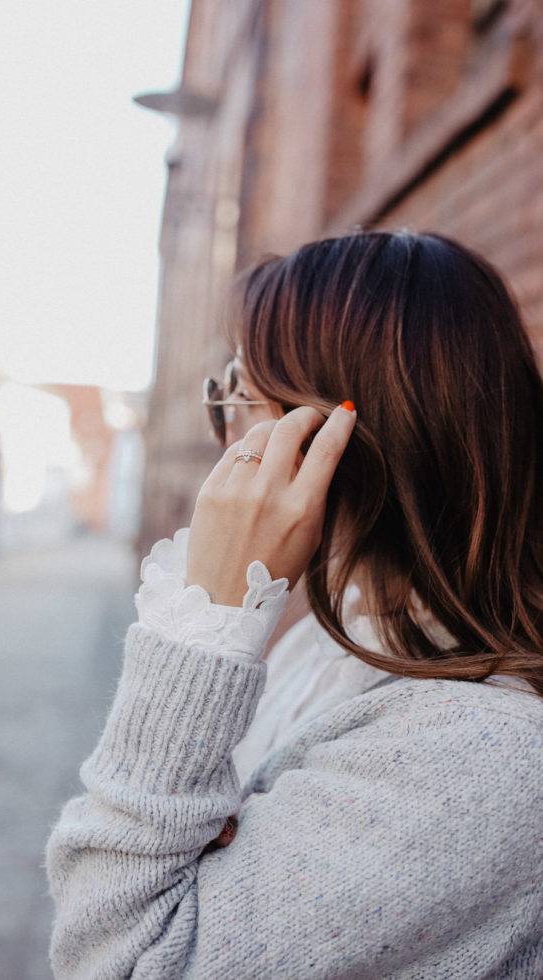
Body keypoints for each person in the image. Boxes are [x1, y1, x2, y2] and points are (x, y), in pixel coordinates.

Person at [46, 231, 543, 978]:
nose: (226, 436)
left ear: (333, 439)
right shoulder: (336, 639)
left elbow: (115, 959)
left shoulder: (480, 751)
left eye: (238, 396)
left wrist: (206, 621)